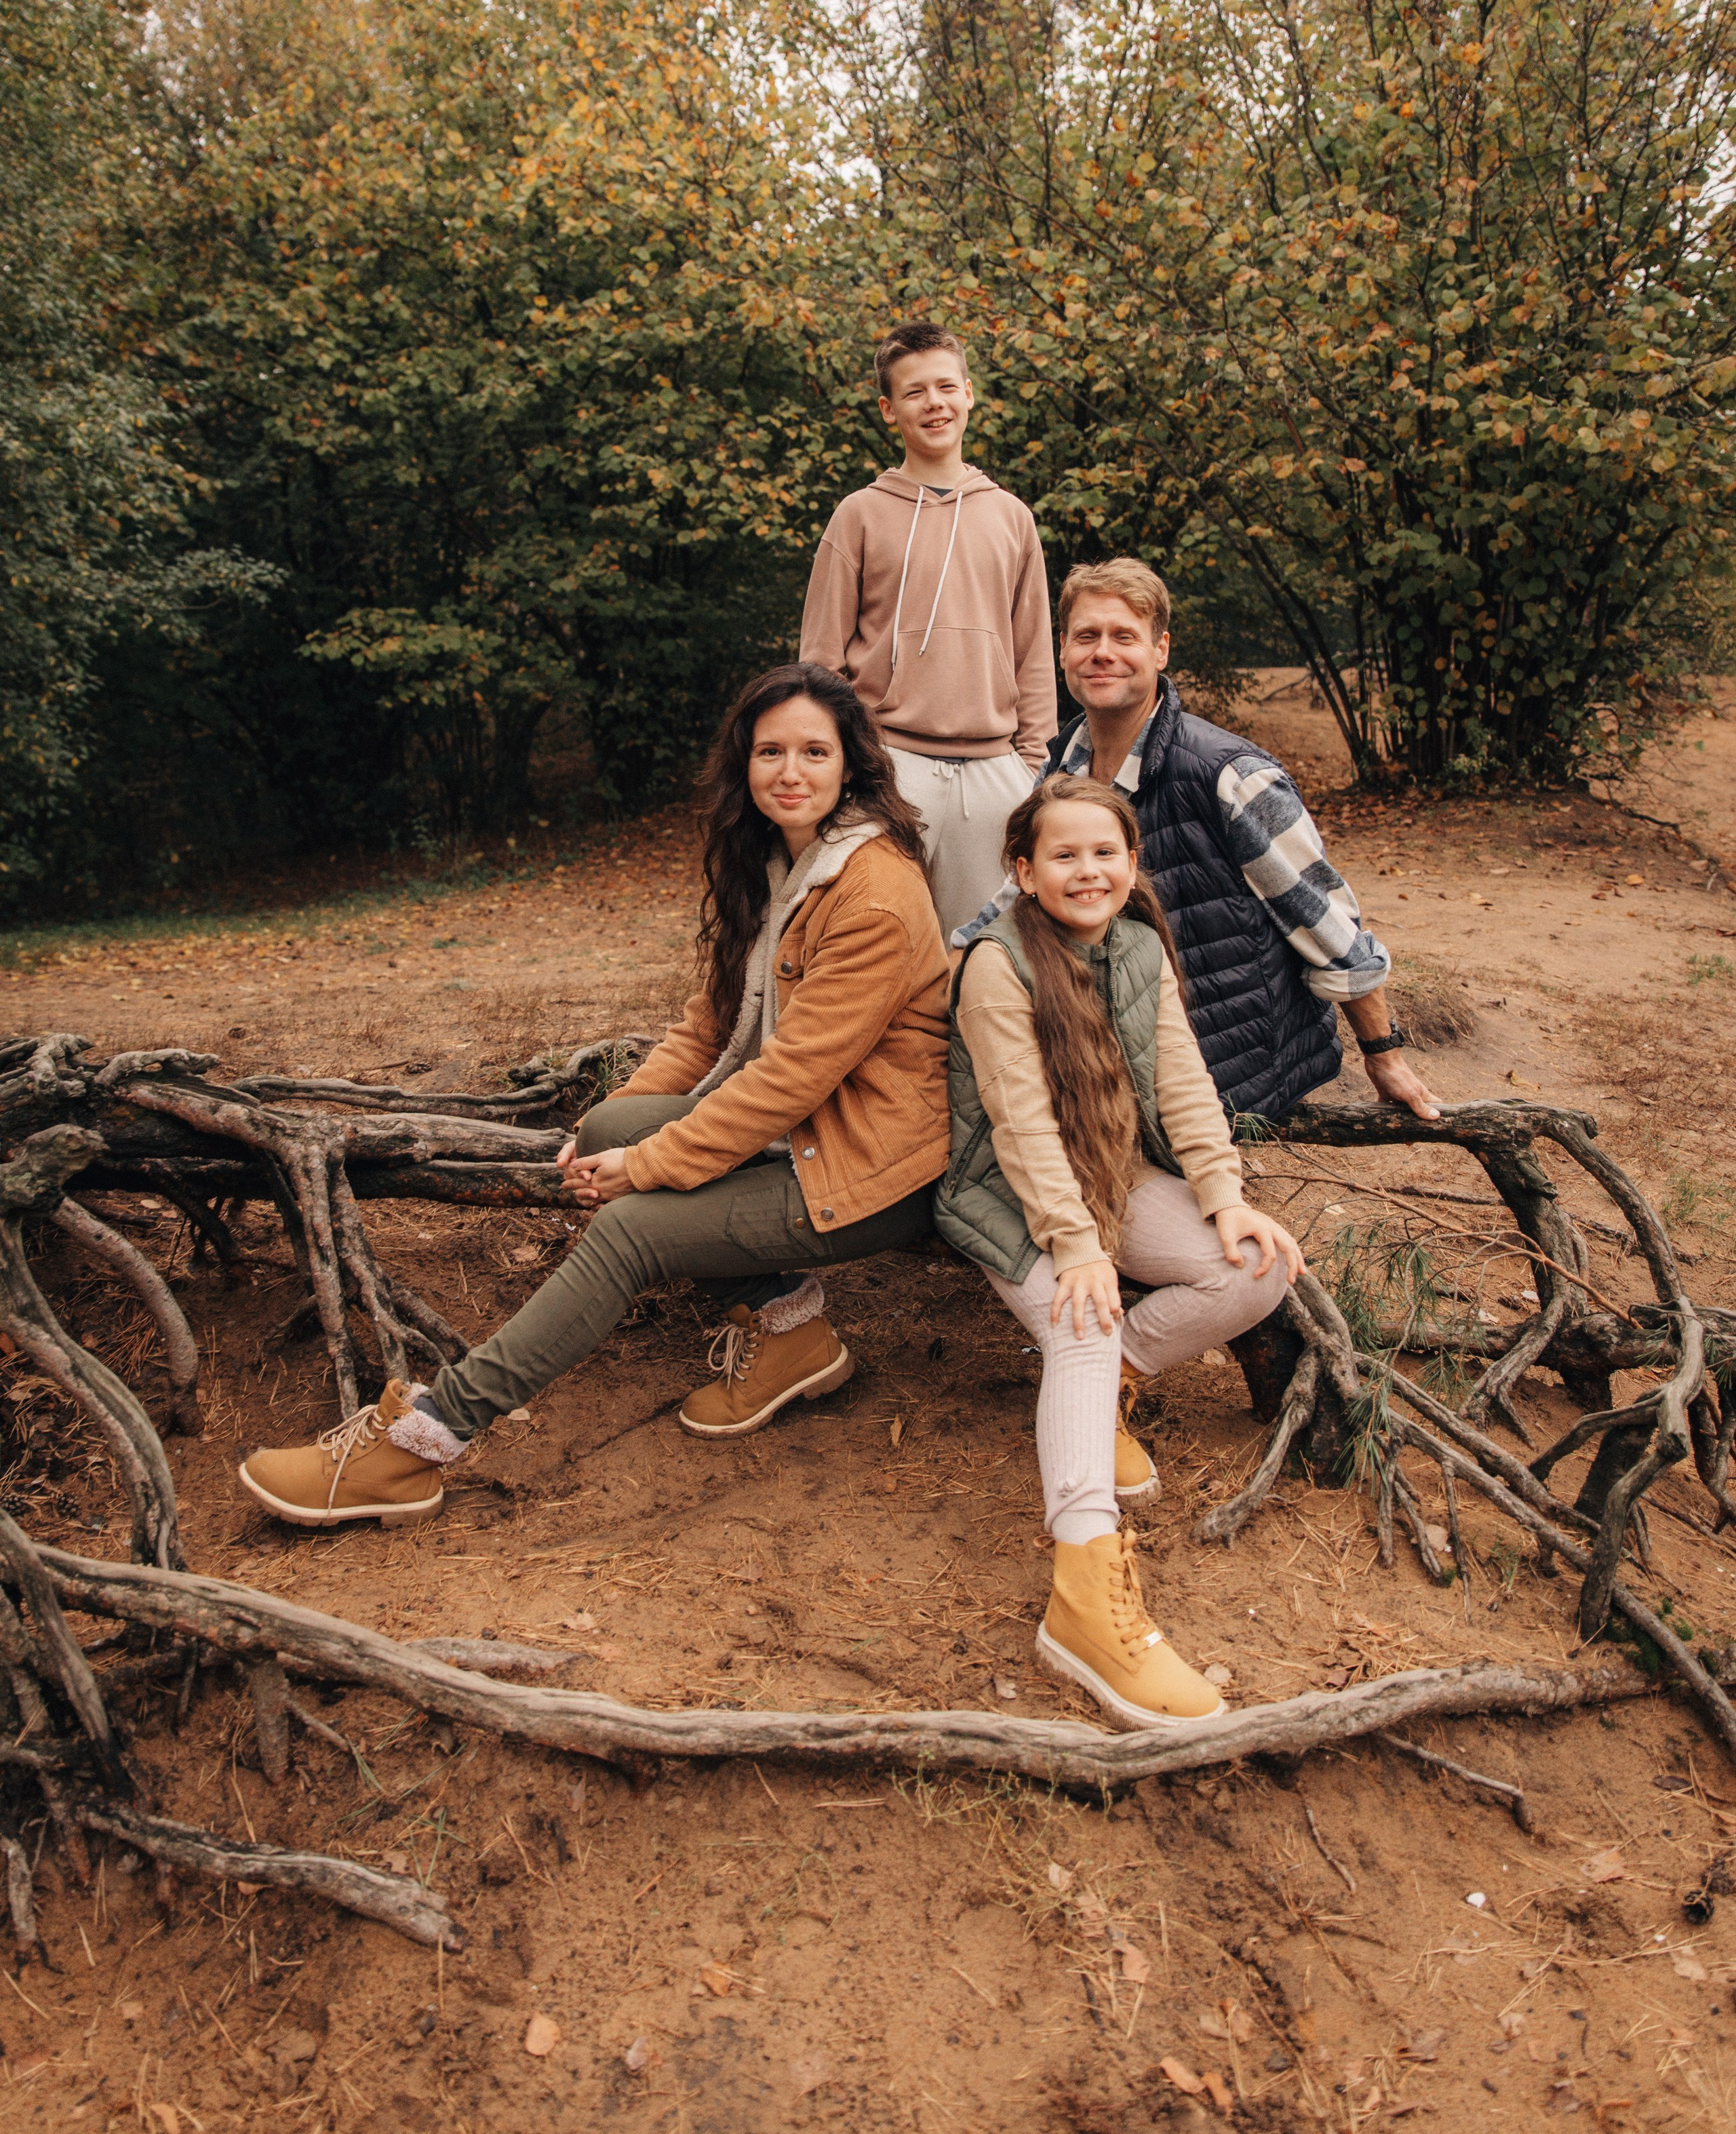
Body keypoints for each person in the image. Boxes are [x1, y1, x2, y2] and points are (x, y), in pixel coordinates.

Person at [238, 664, 949, 1528]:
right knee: (614, 1123)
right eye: (770, 751)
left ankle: (423, 1442)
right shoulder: (777, 864)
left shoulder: (873, 893)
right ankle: (792, 1334)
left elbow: (789, 1078)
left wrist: (646, 1167)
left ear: (851, 767)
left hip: (869, 1169)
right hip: (800, 1133)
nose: (789, 771)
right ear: (744, 761)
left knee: (631, 1229)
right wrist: (606, 1136)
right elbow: (705, 1029)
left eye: (813, 751)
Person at [936, 775, 1306, 1729]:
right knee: (1083, 1325)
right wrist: (1078, 1250)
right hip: (1009, 1196)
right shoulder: (994, 965)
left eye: (1106, 852)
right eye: (1063, 854)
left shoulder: (1138, 946)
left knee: (1255, 1270)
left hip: (1116, 1173)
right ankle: (1084, 1599)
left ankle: (1108, 1391)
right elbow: (1017, 1128)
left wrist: (1225, 1200)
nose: (1088, 871)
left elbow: (1183, 1083)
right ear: (1023, 869)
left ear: (1133, 864)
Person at [954, 557, 1441, 1129]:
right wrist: (952, 965)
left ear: (1160, 650)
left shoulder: (1229, 776)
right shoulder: (1062, 767)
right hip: (1117, 1046)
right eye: (1086, 636)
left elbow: (1326, 923)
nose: (1102, 652)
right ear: (1063, 651)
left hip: (1229, 1066)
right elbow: (1017, 897)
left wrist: (1384, 1055)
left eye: (1124, 637)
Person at [800, 320, 1057, 941]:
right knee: (874, 941)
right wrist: (852, 762)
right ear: (890, 410)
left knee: (983, 950)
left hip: (995, 772)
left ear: (969, 393)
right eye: (915, 392)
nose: (934, 403)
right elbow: (819, 663)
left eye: (947, 387)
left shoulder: (1012, 517)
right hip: (889, 763)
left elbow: (1034, 654)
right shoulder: (860, 514)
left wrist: (1029, 766)